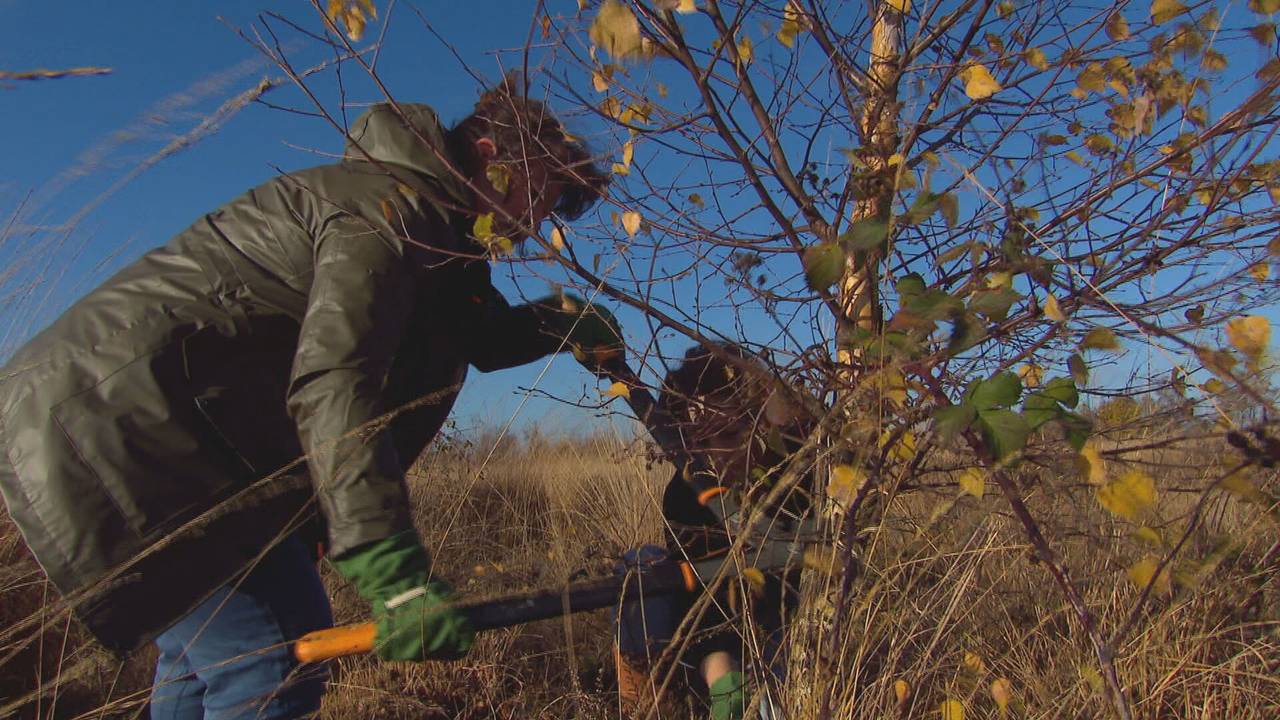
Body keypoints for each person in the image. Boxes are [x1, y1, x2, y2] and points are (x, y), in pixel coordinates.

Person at [0, 79, 617, 719]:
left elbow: (465, 330)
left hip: (145, 441)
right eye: (539, 193)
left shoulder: (437, 240)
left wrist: (561, 320)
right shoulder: (388, 212)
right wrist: (389, 568)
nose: (536, 221)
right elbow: (337, 378)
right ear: (490, 152)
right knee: (271, 653)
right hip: (122, 436)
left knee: (211, 661)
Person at [614, 344, 811, 720]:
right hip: (712, 637)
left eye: (730, 432)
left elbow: (792, 590)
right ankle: (647, 705)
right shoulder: (685, 496)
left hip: (782, 630)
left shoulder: (798, 477)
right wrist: (719, 667)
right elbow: (703, 595)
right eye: (700, 440)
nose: (713, 453)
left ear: (760, 423)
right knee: (639, 567)